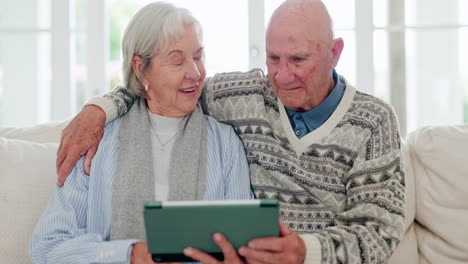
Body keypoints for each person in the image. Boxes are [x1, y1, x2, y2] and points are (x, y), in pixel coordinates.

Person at [56, 0, 405, 263]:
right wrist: (99, 109)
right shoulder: (242, 96)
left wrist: (306, 250)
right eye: (273, 59)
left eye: (298, 60)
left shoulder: (373, 120)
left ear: (334, 53)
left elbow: (380, 231)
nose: (282, 76)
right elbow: (162, 89)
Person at [29, 2, 253, 264]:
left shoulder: (224, 143)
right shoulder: (99, 139)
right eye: (177, 60)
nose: (195, 73)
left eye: (198, 57)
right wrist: (130, 254)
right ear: (140, 67)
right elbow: (47, 245)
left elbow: (244, 244)